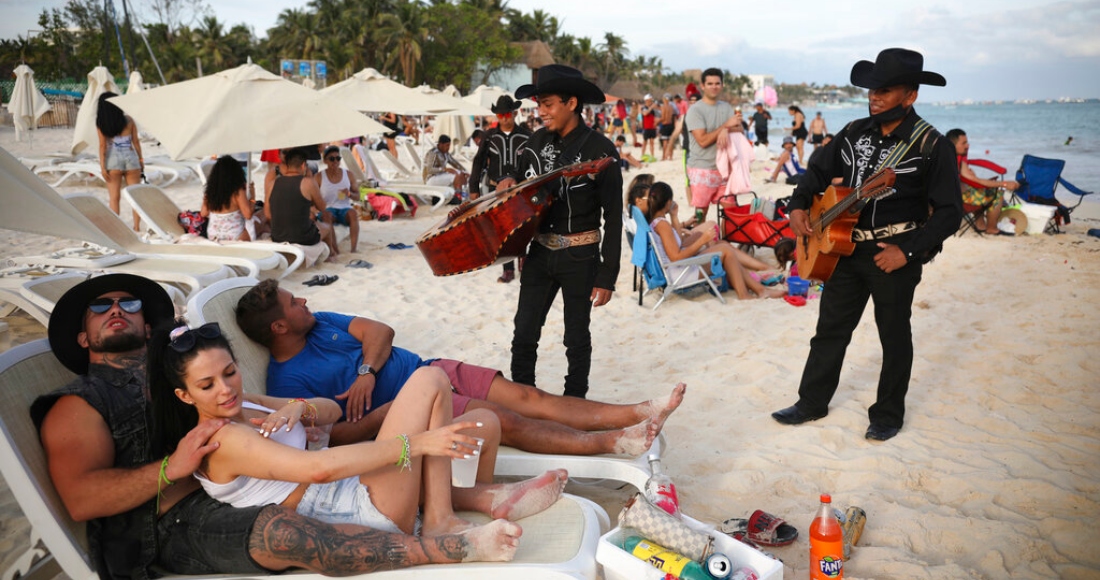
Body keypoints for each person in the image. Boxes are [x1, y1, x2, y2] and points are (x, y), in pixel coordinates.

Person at [32, 274, 519, 578]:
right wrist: (171, 468)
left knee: (465, 410)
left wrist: (300, 410)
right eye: (100, 308)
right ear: (82, 337)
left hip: (248, 478)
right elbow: (81, 499)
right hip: (168, 524)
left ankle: (462, 504)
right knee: (282, 530)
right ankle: (439, 545)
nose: (116, 310)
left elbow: (313, 416)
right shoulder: (79, 403)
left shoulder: (183, 378)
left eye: (129, 304)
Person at [147, 319, 565, 551]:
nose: (225, 388)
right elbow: (318, 469)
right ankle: (442, 519)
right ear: (184, 395)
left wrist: (300, 407)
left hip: (353, 488)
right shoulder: (224, 438)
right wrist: (415, 445)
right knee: (428, 380)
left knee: (440, 387)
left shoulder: (245, 403)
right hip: (352, 509)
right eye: (208, 385)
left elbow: (330, 411)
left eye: (229, 372)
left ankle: (461, 506)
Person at [234, 279, 683, 455]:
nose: (305, 300)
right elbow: (330, 436)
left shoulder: (320, 323)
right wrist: (379, 411)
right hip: (417, 407)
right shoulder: (287, 382)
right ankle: (610, 443)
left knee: (529, 397)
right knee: (509, 421)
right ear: (278, 327)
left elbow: (382, 333)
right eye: (294, 303)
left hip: (431, 367)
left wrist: (365, 374)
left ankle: (638, 411)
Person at [772, 48, 962, 442]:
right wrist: (798, 206)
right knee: (829, 331)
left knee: (893, 337)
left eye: (885, 90)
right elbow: (817, 171)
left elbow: (949, 212)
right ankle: (811, 403)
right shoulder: (854, 131)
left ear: (910, 96)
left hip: (893, 255)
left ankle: (888, 414)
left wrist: (907, 251)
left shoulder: (931, 145)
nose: (874, 96)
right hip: (842, 251)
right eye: (872, 88)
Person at [494, 64, 623, 399]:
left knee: (576, 338)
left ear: (572, 103)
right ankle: (523, 399)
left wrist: (607, 275)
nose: (541, 112)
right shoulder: (535, 141)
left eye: (548, 104)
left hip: (580, 255)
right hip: (538, 253)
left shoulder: (602, 150)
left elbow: (614, 216)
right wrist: (508, 183)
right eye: (539, 105)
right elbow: (518, 185)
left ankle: (574, 402)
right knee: (523, 331)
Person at [645, 182, 784, 300]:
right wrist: (702, 240)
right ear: (668, 202)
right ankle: (746, 294)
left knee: (723, 247)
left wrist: (674, 215)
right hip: (681, 273)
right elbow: (675, 257)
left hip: (679, 269)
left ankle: (758, 289)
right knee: (725, 250)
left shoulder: (659, 222)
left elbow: (678, 243)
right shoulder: (662, 225)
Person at [470, 95, 532, 284]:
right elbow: (478, 162)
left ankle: (524, 261)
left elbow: (532, 162)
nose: (504, 118)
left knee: (522, 226)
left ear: (514, 113)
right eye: (500, 114)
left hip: (519, 188)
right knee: (501, 230)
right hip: (495, 188)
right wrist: (474, 188)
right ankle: (508, 269)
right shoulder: (489, 136)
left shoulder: (526, 135)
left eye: (507, 114)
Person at [686, 67, 744, 222]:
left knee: (732, 213)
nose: (714, 87)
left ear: (722, 85)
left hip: (725, 169)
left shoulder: (726, 107)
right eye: (710, 83)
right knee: (701, 214)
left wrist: (727, 128)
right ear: (703, 86)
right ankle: (699, 243)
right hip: (702, 169)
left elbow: (740, 130)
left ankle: (726, 244)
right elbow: (703, 141)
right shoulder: (695, 110)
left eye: (717, 83)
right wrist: (725, 127)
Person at [264, 147, 339, 261]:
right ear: (303, 165)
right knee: (327, 228)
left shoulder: (272, 184)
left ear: (286, 165)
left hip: (277, 236)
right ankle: (331, 256)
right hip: (302, 237)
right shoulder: (308, 183)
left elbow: (268, 215)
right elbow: (323, 207)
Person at [946, 128, 1019, 234]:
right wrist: (1004, 184)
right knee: (997, 194)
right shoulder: (956, 160)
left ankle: (980, 225)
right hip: (955, 199)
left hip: (947, 196)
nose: (967, 146)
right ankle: (991, 229)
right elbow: (976, 181)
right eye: (964, 143)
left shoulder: (946, 156)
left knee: (976, 190)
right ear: (953, 145)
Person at [95, 92, 143, 221]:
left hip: (112, 160)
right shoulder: (129, 120)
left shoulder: (101, 123)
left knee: (114, 198)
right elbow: (136, 143)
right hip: (131, 158)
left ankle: (117, 229)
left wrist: (103, 167)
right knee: (135, 196)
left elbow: (102, 146)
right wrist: (141, 160)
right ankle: (137, 228)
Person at [201, 155, 266, 242]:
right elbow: (248, 215)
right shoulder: (237, 191)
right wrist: (252, 196)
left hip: (213, 235)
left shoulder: (210, 191)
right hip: (235, 236)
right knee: (262, 216)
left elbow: (203, 213)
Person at [314, 145, 360, 253]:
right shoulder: (319, 177)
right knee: (327, 215)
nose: (335, 161)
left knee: (353, 213)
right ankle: (335, 250)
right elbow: (313, 197)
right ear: (325, 161)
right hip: (328, 209)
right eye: (331, 159)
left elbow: (358, 196)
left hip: (344, 208)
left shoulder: (348, 174)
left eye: (338, 158)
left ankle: (353, 249)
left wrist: (349, 194)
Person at [422, 135, 469, 200]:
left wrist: (465, 171)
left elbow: (455, 163)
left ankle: (462, 193)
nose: (448, 148)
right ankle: (458, 196)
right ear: (441, 144)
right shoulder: (433, 153)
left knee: (460, 173)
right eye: (447, 145)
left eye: (449, 145)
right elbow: (430, 170)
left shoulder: (445, 153)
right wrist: (444, 169)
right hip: (430, 179)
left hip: (440, 175)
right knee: (456, 176)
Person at [640, 95, 658, 160]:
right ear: (646, 100)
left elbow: (655, 117)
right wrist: (651, 107)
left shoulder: (653, 109)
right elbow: (645, 114)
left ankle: (652, 155)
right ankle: (642, 155)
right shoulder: (644, 108)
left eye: (651, 100)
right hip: (646, 128)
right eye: (650, 100)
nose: (651, 102)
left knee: (652, 143)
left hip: (652, 128)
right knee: (645, 142)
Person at [659, 94, 677, 161]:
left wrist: (656, 122)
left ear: (664, 99)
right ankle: (671, 157)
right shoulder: (671, 107)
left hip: (665, 125)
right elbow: (673, 117)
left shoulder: (663, 107)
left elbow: (663, 117)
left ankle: (664, 156)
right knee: (670, 142)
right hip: (670, 125)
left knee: (665, 142)